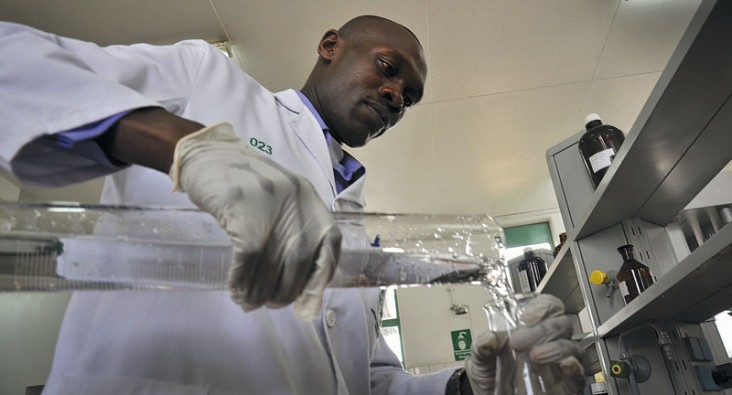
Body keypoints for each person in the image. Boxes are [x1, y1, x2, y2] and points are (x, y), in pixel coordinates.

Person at [0, 15, 589, 394]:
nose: (395, 96)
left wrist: (466, 386)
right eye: (389, 69)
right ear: (331, 46)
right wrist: (189, 147)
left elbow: (366, 377)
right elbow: (13, 61)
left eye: (408, 99)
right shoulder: (209, 81)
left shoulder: (357, 216)